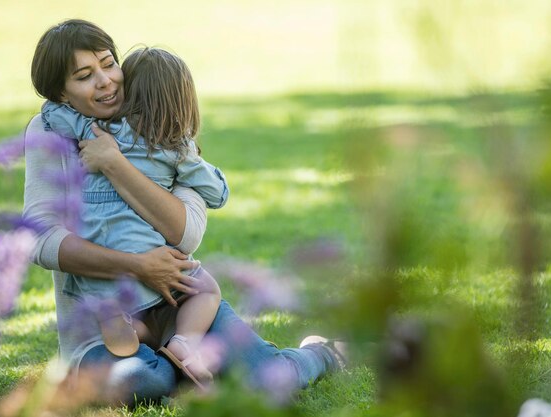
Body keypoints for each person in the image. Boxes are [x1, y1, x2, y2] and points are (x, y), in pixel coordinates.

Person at [24, 18, 343, 405]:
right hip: (101, 324)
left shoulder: (162, 126)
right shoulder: (50, 133)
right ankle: (194, 367)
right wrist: (137, 265)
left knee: (268, 377)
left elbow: (187, 235)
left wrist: (114, 163)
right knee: (145, 381)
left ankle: (321, 352)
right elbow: (40, 240)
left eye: (109, 64)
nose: (106, 81)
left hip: (181, 304)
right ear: (61, 93)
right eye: (85, 76)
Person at [41, 46, 226, 387]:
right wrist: (193, 159)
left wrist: (56, 105)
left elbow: (52, 117)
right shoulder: (175, 148)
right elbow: (216, 193)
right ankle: (184, 343)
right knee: (207, 290)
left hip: (99, 257)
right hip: (150, 257)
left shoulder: (98, 132)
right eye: (84, 77)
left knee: (142, 340)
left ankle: (127, 323)